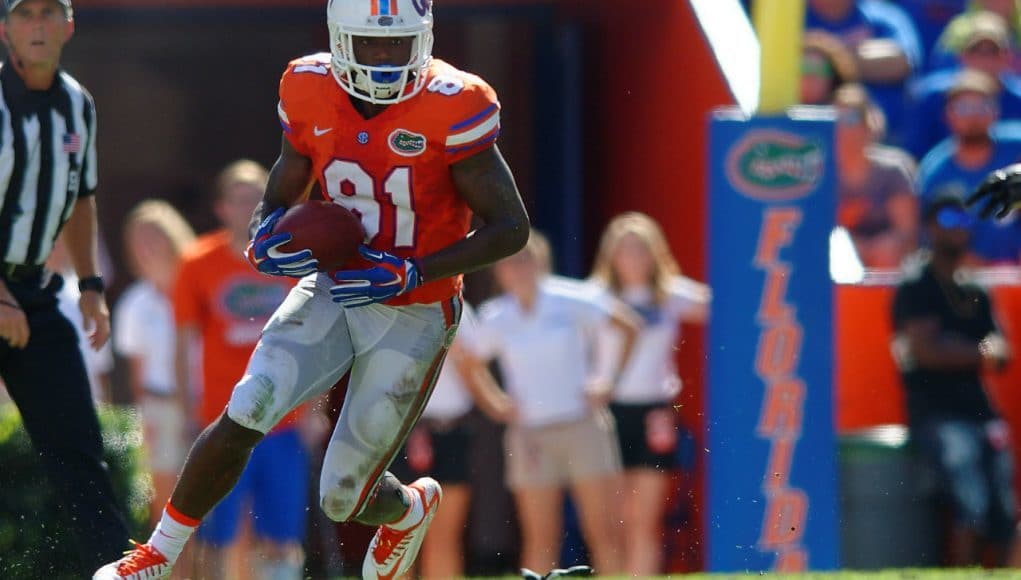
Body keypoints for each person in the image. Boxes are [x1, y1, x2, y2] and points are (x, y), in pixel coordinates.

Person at [94, 0, 530, 577]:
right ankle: (156, 554)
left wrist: (415, 269)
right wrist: (266, 226)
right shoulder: (307, 86)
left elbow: (510, 228)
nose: (384, 58)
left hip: (414, 307)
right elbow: (288, 173)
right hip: (331, 285)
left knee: (341, 497)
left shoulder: (454, 104)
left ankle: (406, 509)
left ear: (422, 38)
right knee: (249, 405)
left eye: (397, 44)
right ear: (340, 40)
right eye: (371, 44)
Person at [0, 0, 130, 573]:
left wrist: (92, 285)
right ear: (4, 28)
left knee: (80, 449)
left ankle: (115, 570)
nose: (36, 25)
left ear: (68, 26)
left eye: (48, 13)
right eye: (24, 14)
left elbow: (82, 196)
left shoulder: (79, 103)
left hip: (35, 292)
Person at [461, 230, 639, 576]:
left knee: (603, 531)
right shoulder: (498, 315)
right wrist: (495, 403)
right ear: (498, 271)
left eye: (524, 259)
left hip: (581, 425)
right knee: (540, 538)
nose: (516, 269)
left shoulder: (571, 297)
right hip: (530, 435)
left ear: (541, 262)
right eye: (508, 262)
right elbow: (469, 363)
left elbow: (628, 326)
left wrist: (608, 382)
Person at [171, 160, 309, 580]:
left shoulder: (293, 256)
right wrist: (185, 409)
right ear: (221, 207)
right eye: (240, 197)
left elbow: (314, 338)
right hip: (220, 417)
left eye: (257, 196)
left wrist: (316, 409)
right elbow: (182, 343)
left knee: (282, 535)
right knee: (217, 534)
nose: (249, 204)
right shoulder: (197, 262)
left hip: (283, 419)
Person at [891, 197, 1016, 566]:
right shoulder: (916, 285)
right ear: (929, 225)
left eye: (963, 216)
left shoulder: (975, 289)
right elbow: (927, 351)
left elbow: (1003, 351)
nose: (957, 224)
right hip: (937, 412)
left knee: (1005, 514)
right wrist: (979, 352)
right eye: (947, 215)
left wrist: (963, 349)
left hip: (980, 411)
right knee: (971, 507)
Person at [586, 213, 709, 576]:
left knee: (644, 519)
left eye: (642, 249)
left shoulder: (670, 294)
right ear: (611, 256)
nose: (634, 258)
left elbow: (729, 307)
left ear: (656, 254)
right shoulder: (595, 297)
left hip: (655, 412)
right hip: (608, 411)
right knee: (613, 520)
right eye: (625, 250)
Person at [388, 301, 515, 579]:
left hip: (451, 430)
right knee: (399, 535)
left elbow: (470, 365)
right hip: (401, 430)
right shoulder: (388, 300)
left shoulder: (456, 304)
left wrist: (500, 408)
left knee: (442, 534)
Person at [113, 200, 196, 531]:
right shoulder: (134, 302)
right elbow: (138, 374)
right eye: (137, 239)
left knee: (217, 508)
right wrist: (143, 419)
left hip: (210, 406)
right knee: (166, 509)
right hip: (161, 408)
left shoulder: (200, 287)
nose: (146, 246)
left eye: (153, 236)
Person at [917, 69, 1021, 263]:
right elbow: (927, 235)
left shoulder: (1016, 147)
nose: (973, 116)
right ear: (948, 115)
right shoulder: (935, 172)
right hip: (965, 278)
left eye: (981, 106)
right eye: (963, 108)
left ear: (995, 112)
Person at [805, 0, 923, 144]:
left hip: (885, 139)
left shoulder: (882, 15)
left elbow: (901, 62)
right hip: (811, 137)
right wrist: (861, 55)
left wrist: (829, 57)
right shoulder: (795, 18)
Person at [907, 12, 1021, 159]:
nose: (984, 60)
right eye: (976, 51)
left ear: (1007, 57)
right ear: (962, 56)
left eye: (993, 52)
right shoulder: (931, 96)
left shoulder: (1018, 98)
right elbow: (916, 153)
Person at [832, 84, 919, 267]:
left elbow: (907, 232)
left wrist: (877, 247)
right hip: (841, 258)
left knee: (886, 251)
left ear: (867, 123)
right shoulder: (821, 176)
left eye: (850, 118)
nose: (842, 126)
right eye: (836, 119)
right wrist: (852, 248)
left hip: (887, 260)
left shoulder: (893, 170)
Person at [801, 30, 861, 105]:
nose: (810, 76)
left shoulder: (848, 108)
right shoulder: (781, 108)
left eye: (820, 70)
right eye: (804, 68)